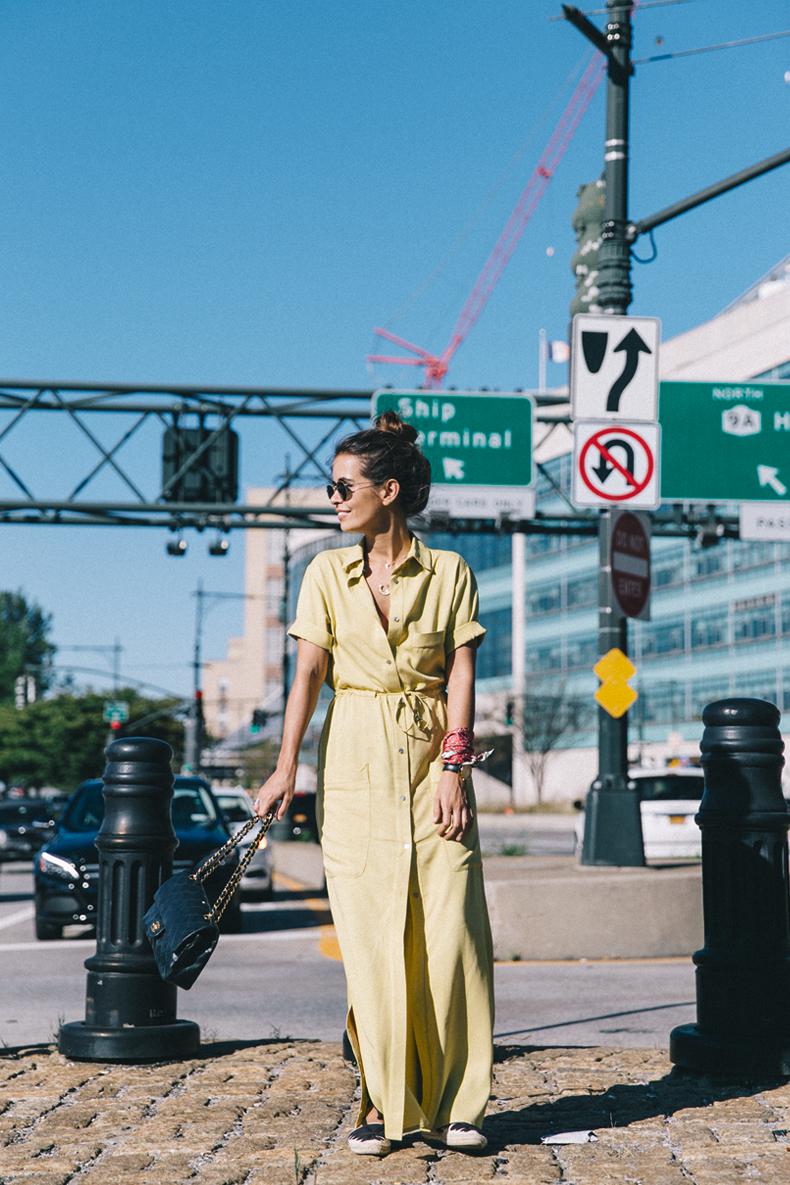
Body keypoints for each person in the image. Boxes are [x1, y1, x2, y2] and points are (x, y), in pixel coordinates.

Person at [254, 411, 494, 1157]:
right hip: (353, 763)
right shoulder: (325, 572)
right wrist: (287, 764)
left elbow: (460, 674)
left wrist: (454, 767)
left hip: (433, 767)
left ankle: (459, 1103)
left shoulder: (449, 571)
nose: (332, 498)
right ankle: (384, 1105)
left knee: (450, 935)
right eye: (332, 488)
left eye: (342, 486)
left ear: (387, 490)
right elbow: (308, 674)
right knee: (370, 942)